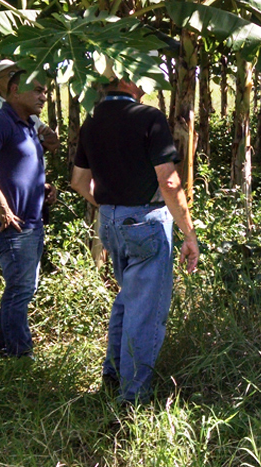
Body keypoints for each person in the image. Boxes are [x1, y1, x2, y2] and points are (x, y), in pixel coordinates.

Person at [70, 71, 200, 403]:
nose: (146, 85)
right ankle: (133, 397)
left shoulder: (92, 120)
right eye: (141, 76)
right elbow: (169, 182)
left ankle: (113, 375)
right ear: (128, 80)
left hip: (110, 220)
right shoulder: (148, 117)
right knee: (146, 311)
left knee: (129, 299)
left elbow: (79, 182)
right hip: (146, 222)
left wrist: (111, 207)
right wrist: (189, 233)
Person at [0, 70, 56, 358]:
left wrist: (40, 187)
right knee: (21, 289)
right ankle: (20, 354)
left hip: (30, 221)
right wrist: (2, 207)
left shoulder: (26, 124)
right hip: (12, 225)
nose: (44, 96)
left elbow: (14, 165)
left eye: (45, 91)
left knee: (19, 288)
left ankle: (6, 349)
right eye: (38, 91)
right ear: (15, 91)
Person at [0, 59, 60, 152]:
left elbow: (51, 139)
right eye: (11, 74)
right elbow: (14, 147)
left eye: (19, 74)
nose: (17, 78)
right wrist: (40, 140)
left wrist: (41, 140)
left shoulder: (22, 106)